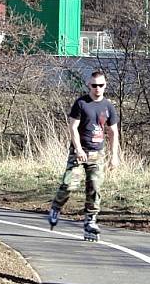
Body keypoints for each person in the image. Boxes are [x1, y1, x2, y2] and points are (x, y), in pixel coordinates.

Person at [48, 69, 120, 241]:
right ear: (89, 85)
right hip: (79, 153)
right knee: (69, 185)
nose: (97, 89)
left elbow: (113, 132)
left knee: (94, 187)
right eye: (94, 85)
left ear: (105, 86)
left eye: (101, 85)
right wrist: (78, 149)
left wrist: (114, 156)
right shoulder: (81, 103)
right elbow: (73, 127)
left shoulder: (108, 106)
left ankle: (90, 220)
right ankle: (56, 207)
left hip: (98, 154)